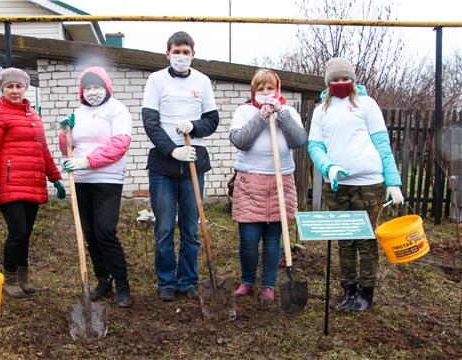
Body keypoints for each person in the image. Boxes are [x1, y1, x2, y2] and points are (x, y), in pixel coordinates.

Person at [308, 58, 404, 311]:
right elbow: (315, 146)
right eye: (336, 80)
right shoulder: (321, 111)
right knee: (345, 240)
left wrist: (393, 182)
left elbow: (382, 143)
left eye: (345, 79)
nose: (341, 83)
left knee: (365, 238)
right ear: (328, 83)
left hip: (369, 183)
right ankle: (349, 290)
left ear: (353, 80)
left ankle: (366, 291)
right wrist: (329, 167)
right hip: (337, 185)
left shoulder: (366, 104)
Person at [142, 31, 220, 301]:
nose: (181, 56)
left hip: (193, 163)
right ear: (167, 54)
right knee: (164, 228)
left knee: (190, 228)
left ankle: (187, 280)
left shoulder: (202, 81)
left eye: (186, 52)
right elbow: (150, 121)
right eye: (176, 51)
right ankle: (166, 281)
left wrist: (194, 126)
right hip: (163, 164)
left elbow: (212, 120)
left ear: (193, 54)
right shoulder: (156, 80)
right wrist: (172, 149)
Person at [0, 67, 66, 299]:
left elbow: (42, 150)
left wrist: (55, 177)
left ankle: (23, 278)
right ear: (2, 89)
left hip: (32, 182)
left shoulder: (33, 115)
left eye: (19, 86)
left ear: (25, 88)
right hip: (8, 184)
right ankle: (9, 279)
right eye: (10, 86)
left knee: (25, 233)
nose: (15, 90)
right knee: (17, 231)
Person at [229, 69, 308, 301]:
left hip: (280, 182)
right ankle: (248, 281)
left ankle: (269, 284)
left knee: (274, 239)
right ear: (254, 92)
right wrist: (261, 116)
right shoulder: (244, 111)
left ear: (277, 89)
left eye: (270, 88)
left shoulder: (289, 111)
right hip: (249, 182)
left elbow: (299, 140)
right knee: (249, 240)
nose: (265, 93)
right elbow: (240, 141)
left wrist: (281, 115)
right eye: (260, 89)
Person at [59, 66, 133, 308]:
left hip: (107, 179)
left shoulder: (117, 109)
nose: (92, 92)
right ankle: (104, 280)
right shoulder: (77, 113)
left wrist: (87, 161)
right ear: (81, 90)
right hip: (81, 181)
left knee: (105, 231)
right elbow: (67, 148)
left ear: (106, 87)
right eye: (87, 87)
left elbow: (120, 144)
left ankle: (122, 283)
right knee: (90, 234)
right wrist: (64, 133)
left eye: (97, 86)